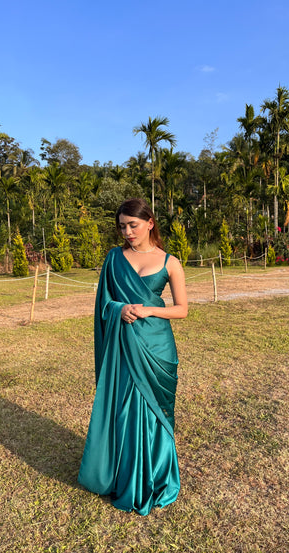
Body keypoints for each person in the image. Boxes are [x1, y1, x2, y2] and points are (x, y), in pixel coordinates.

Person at [78, 198, 188, 515]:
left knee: (156, 415)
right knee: (125, 411)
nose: (127, 232)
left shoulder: (170, 262)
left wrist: (147, 310)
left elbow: (182, 310)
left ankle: (158, 478)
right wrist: (120, 309)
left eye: (133, 225)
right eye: (123, 226)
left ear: (150, 223)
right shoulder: (113, 259)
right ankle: (125, 477)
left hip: (157, 349)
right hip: (124, 345)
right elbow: (104, 305)